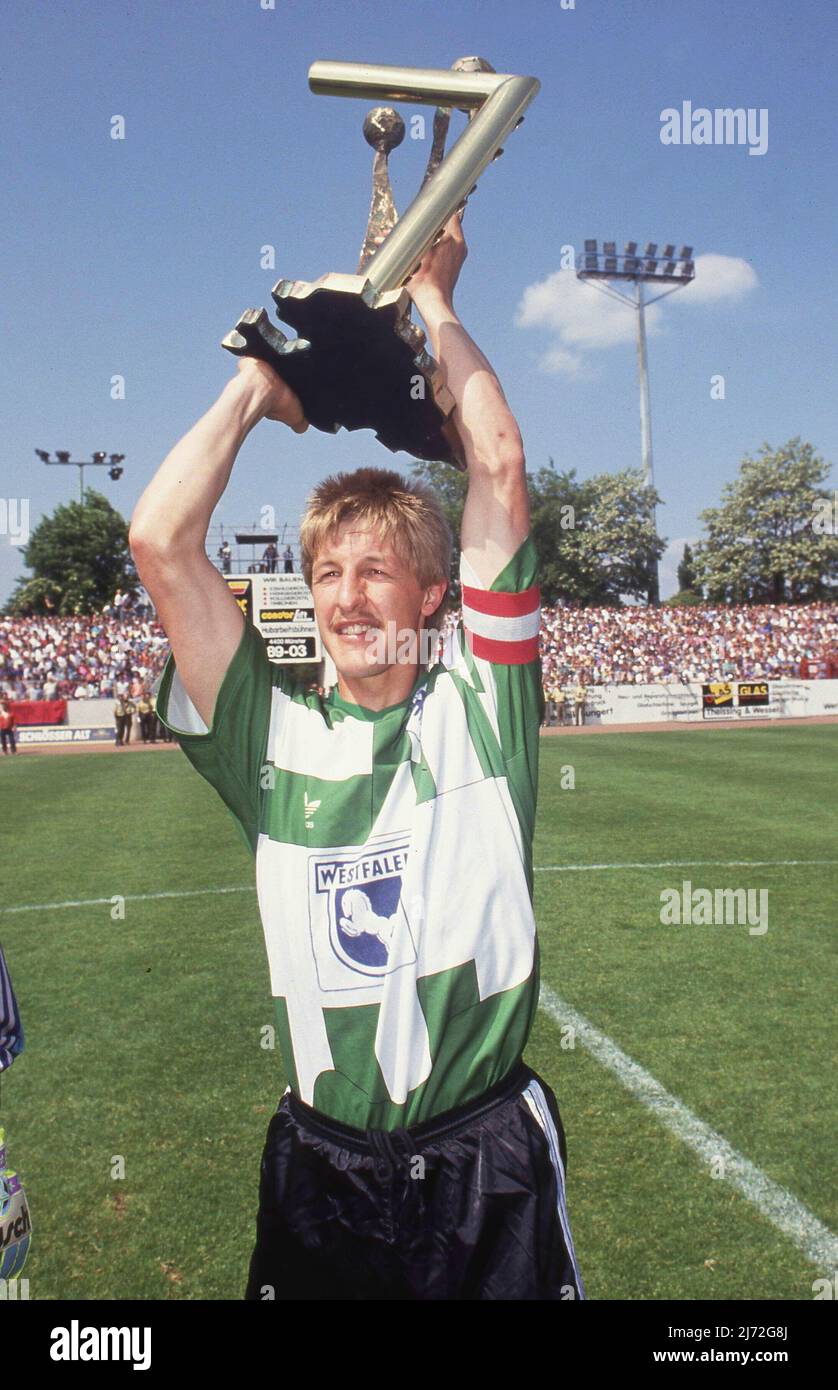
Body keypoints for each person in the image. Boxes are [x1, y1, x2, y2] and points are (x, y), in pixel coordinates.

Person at [129, 211, 584, 1302]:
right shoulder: (263, 732)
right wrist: (259, 388)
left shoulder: (483, 700)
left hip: (485, 1164)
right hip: (318, 1170)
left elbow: (500, 461)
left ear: (431, 595)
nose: (347, 596)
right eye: (328, 574)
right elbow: (158, 540)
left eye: (376, 571)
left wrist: (434, 298)